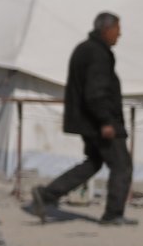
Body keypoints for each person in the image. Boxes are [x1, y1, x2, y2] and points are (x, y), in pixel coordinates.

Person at [27, 12, 135, 226]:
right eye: (117, 30)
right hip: (100, 122)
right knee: (122, 165)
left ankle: (47, 194)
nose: (119, 34)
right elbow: (96, 91)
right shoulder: (97, 53)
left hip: (88, 121)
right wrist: (106, 120)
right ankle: (113, 214)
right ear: (106, 29)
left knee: (93, 163)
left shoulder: (87, 49)